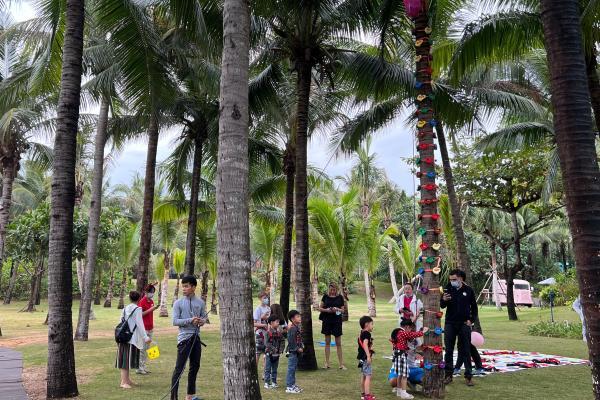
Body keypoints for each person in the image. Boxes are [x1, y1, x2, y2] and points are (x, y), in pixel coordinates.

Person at [171, 275, 207, 400]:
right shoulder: (178, 303)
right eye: (183, 286)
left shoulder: (200, 302)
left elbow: (204, 318)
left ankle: (189, 396)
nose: (184, 289)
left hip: (196, 339)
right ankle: (173, 397)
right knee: (179, 369)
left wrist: (201, 321)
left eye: (186, 286)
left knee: (195, 366)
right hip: (184, 340)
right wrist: (190, 320)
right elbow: (175, 321)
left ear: (193, 287)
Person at [441, 269, 478, 386]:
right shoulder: (448, 289)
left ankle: (468, 377)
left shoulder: (469, 290)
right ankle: (448, 375)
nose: (452, 281)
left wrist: (471, 320)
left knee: (466, 350)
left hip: (464, 324)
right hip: (450, 323)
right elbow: (442, 306)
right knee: (448, 350)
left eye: (454, 279)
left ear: (461, 279)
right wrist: (444, 300)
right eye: (451, 280)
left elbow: (474, 308)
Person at [115, 290, 152, 389]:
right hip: (131, 337)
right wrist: (145, 337)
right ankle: (123, 382)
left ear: (130, 298)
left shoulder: (125, 308)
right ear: (139, 299)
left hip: (123, 337)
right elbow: (140, 324)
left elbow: (120, 321)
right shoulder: (138, 309)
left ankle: (127, 380)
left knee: (126, 358)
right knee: (126, 360)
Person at [389, 320, 428, 399]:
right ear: (407, 327)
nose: (411, 331)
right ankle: (404, 393)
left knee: (401, 374)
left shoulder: (397, 332)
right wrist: (423, 332)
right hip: (402, 355)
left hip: (398, 356)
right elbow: (412, 334)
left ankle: (399, 391)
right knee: (404, 374)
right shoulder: (402, 332)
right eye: (410, 329)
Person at [318, 282, 346, 369]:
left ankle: (341, 364)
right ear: (329, 289)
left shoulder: (340, 297)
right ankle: (327, 363)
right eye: (331, 290)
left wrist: (337, 309)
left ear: (336, 289)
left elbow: (343, 310)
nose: (332, 292)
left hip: (337, 321)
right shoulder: (325, 296)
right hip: (327, 321)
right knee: (327, 342)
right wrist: (327, 310)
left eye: (334, 290)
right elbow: (320, 308)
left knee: (338, 343)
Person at [137, 283, 160, 375]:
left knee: (147, 349)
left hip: (150, 328)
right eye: (151, 292)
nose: (152, 294)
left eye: (153, 292)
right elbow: (140, 314)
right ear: (146, 292)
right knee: (142, 349)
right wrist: (152, 309)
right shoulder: (142, 302)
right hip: (144, 328)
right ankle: (139, 368)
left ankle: (143, 366)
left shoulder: (151, 301)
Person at [264, 315, 286, 389]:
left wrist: (281, 349)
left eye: (278, 322)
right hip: (269, 354)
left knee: (274, 369)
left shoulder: (279, 333)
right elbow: (266, 343)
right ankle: (267, 382)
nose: (278, 323)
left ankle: (274, 382)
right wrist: (274, 349)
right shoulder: (267, 333)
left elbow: (283, 341)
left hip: (276, 355)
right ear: (271, 323)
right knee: (267, 369)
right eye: (277, 322)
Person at [286, 309, 304, 394]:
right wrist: (297, 348)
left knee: (293, 369)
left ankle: (292, 384)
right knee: (291, 369)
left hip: (296, 352)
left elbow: (298, 339)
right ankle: (289, 387)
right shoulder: (292, 328)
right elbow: (291, 341)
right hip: (293, 352)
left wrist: (301, 346)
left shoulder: (296, 327)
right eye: (297, 317)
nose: (300, 318)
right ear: (293, 319)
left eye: (299, 316)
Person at [357, 316, 375, 400]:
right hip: (365, 357)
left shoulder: (361, 332)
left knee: (363, 375)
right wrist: (368, 356)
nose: (372, 326)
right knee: (368, 376)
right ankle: (367, 395)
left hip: (361, 357)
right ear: (366, 324)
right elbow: (364, 344)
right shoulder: (367, 333)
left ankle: (363, 393)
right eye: (372, 324)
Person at [254, 292, 272, 364]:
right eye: (264, 298)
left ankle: (265, 373)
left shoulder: (268, 308)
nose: (266, 299)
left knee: (266, 353)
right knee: (258, 353)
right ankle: (254, 370)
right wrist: (263, 324)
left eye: (267, 297)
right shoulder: (258, 309)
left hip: (267, 333)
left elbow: (270, 320)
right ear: (260, 299)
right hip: (260, 333)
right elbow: (254, 323)